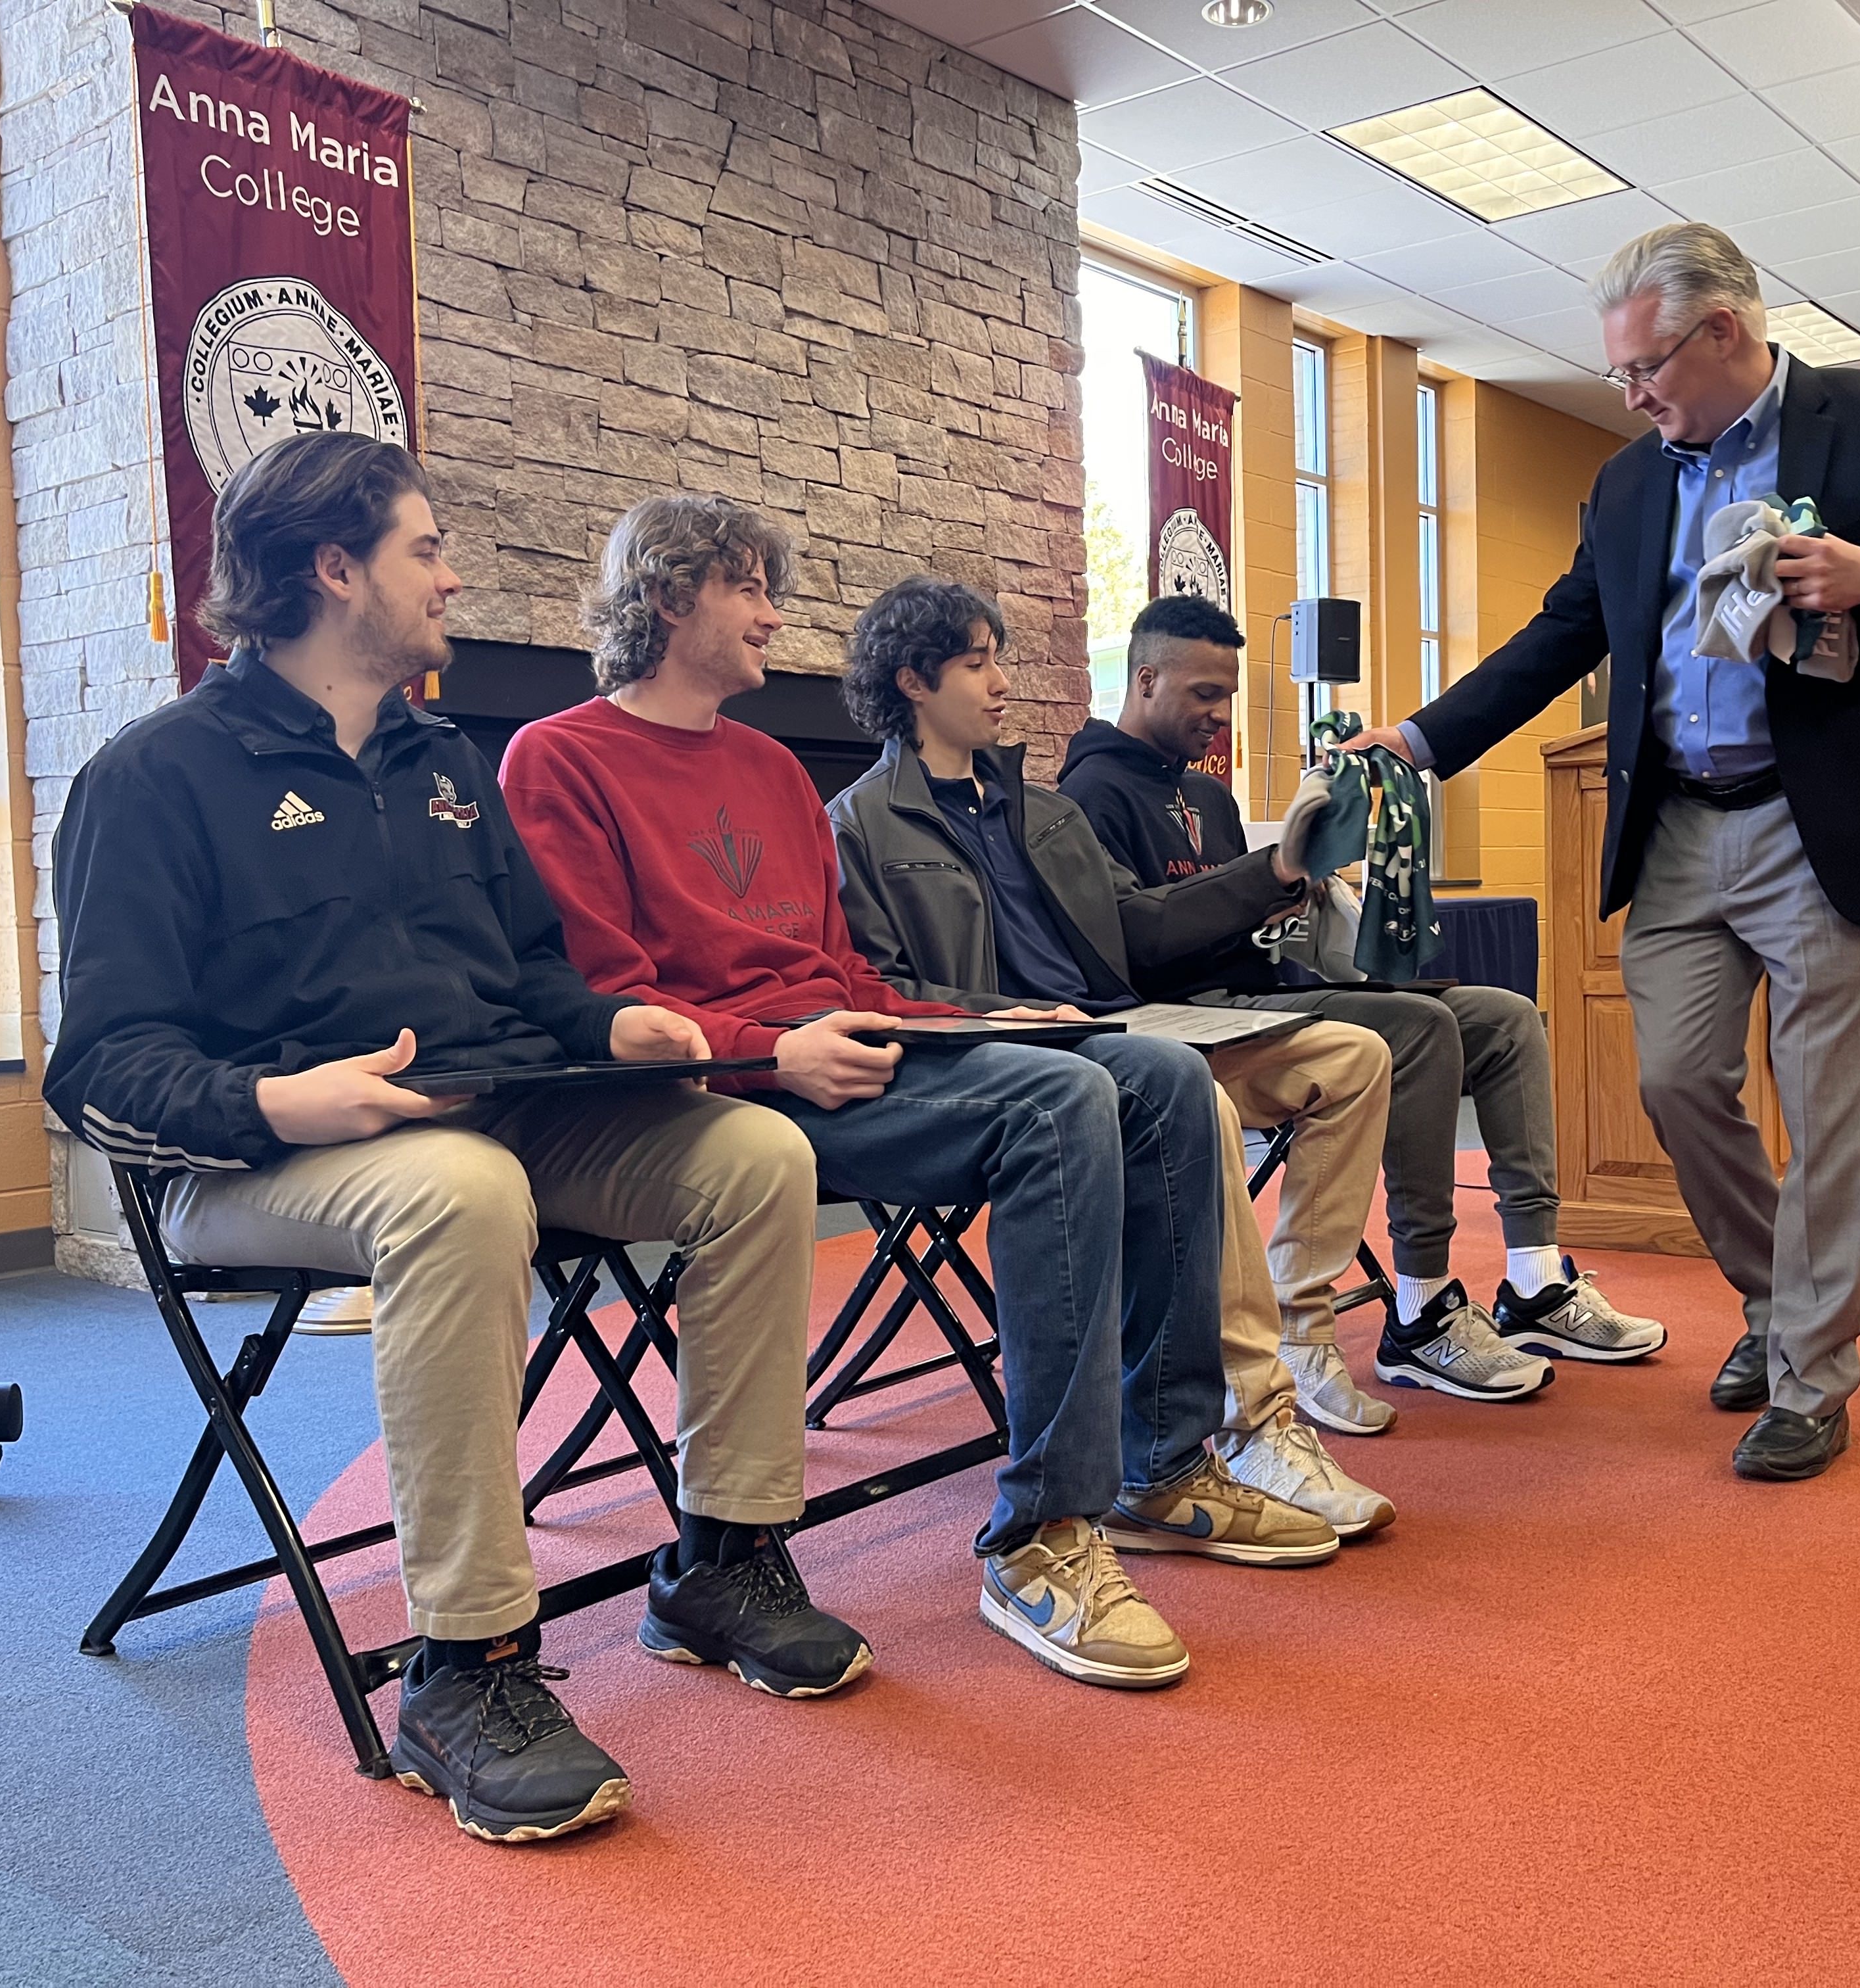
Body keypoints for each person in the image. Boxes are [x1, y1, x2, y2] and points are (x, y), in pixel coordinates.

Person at [45, 435, 863, 1847]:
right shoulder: (157, 775)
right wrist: (282, 1105)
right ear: (335, 567)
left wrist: (619, 1027)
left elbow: (535, 974)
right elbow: (100, 1072)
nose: (455, 575)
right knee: (460, 1193)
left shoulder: (441, 762)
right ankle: (468, 1666)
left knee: (752, 1158)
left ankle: (723, 1559)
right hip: (254, 1162)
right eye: (428, 549)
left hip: (493, 1112)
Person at [498, 494, 1339, 1695]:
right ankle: (1041, 1529)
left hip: (847, 1046)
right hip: (734, 1087)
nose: (773, 615)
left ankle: (1162, 1459)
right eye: (748, 589)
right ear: (671, 596)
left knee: (1146, 1069)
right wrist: (768, 1051)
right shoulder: (560, 756)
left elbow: (844, 974)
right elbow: (606, 996)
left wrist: (982, 1016)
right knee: (1055, 1106)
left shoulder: (774, 766)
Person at [1339, 222, 1860, 1482]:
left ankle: (1812, 1375)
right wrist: (1423, 738)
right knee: (1672, 1085)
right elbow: (1560, 636)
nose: (1632, 394)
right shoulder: (1627, 483)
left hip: (1822, 823)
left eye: (1646, 368)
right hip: (1674, 829)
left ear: (1724, 331)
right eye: (1620, 375)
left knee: (1826, 1115)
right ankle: (1776, 1303)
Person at [824, 573, 1399, 1534]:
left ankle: (1303, 1329)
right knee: (1189, 1096)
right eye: (979, 663)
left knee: (1353, 1053)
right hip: (1016, 1052)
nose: (1003, 682)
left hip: (1119, 1024)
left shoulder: (1043, 811)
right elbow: (880, 983)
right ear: (913, 680)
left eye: (997, 658)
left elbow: (1135, 927)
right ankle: (1253, 1419)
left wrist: (1278, 870)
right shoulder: (859, 822)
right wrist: (1004, 1018)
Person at [1061, 596, 1662, 1417]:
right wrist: (1268, 877)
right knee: (1420, 1028)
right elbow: (1134, 945)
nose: (1220, 713)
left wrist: (1303, 893)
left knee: (1505, 1015)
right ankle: (1422, 1306)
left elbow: (1240, 917)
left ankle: (1535, 1276)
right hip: (1191, 1027)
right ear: (1145, 679)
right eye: (1204, 693)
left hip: (1264, 992)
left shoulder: (1208, 800)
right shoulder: (1085, 793)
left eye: (1228, 694)